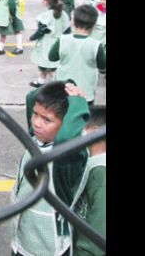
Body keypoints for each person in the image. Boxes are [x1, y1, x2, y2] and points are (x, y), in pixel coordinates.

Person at [11, 81, 90, 256]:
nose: (37, 123)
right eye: (35, 114)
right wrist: (66, 84)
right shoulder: (36, 139)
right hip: (21, 239)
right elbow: (32, 97)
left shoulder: (68, 157)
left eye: (47, 119)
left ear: (66, 122)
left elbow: (67, 137)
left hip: (50, 247)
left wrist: (78, 102)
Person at [48, 5, 106, 105]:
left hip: (63, 89)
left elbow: (52, 57)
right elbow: (102, 66)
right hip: (85, 92)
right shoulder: (96, 45)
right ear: (94, 25)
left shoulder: (62, 40)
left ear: (73, 22)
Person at [71, 105, 106, 256]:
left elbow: (96, 239)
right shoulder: (87, 161)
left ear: (96, 132)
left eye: (82, 128)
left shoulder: (101, 173)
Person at [29, 0, 71, 88]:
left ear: (47, 2)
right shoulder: (63, 14)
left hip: (47, 43)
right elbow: (67, 30)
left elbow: (41, 31)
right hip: (59, 42)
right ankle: (41, 80)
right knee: (50, 65)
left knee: (48, 66)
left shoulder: (46, 16)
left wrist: (32, 37)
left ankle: (59, 84)